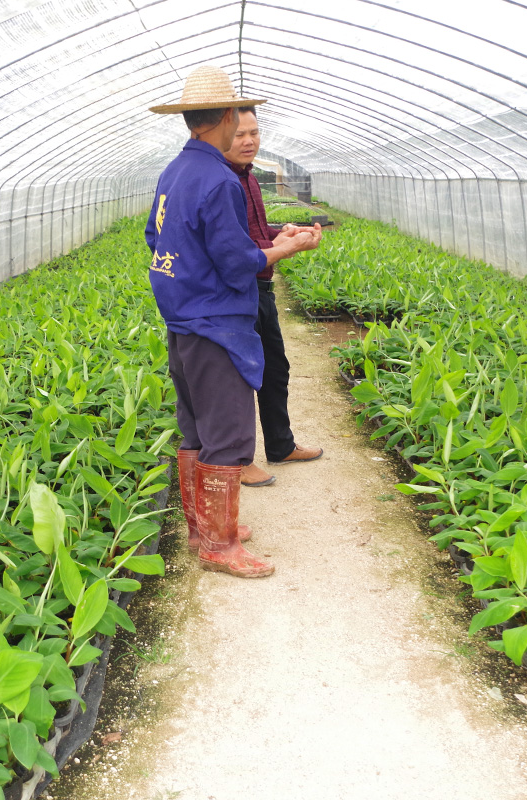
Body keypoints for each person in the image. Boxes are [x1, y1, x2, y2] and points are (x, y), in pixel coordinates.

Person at [145, 65, 320, 578]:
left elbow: (156, 242)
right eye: (239, 123)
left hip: (183, 321)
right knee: (229, 433)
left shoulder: (174, 173)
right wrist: (284, 247)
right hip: (217, 321)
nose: (244, 132)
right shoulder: (218, 180)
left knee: (195, 427)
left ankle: (205, 528)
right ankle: (219, 547)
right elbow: (236, 261)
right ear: (224, 117)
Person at [222, 107, 324, 488]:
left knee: (274, 369)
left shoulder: (248, 179)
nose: (249, 141)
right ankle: (240, 459)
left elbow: (255, 231)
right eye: (239, 134)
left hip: (261, 285)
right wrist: (285, 247)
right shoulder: (223, 183)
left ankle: (281, 444)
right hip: (239, 290)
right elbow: (230, 249)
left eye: (254, 132)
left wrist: (284, 233)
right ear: (219, 135)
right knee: (240, 376)